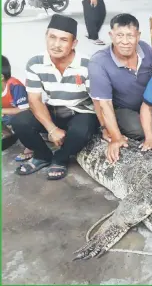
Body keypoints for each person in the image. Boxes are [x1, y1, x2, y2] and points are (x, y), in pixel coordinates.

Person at [10, 15, 99, 180]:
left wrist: (108, 129)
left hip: (80, 112)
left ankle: (61, 158)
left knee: (83, 130)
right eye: (52, 37)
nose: (56, 44)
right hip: (52, 110)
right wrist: (52, 129)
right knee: (19, 121)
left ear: (74, 44)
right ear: (46, 36)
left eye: (63, 40)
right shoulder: (35, 63)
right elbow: (34, 100)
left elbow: (98, 101)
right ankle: (42, 156)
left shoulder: (88, 64)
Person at [88, 13, 152, 164]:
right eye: (119, 35)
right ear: (111, 35)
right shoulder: (99, 62)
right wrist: (115, 138)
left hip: (148, 104)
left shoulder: (146, 50)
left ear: (138, 35)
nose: (125, 42)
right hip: (123, 108)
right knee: (142, 130)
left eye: (130, 35)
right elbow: (103, 104)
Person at [2, 55, 32, 161]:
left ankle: (31, 146)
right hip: (7, 117)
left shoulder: (15, 86)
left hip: (25, 116)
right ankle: (7, 135)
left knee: (21, 121)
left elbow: (24, 109)